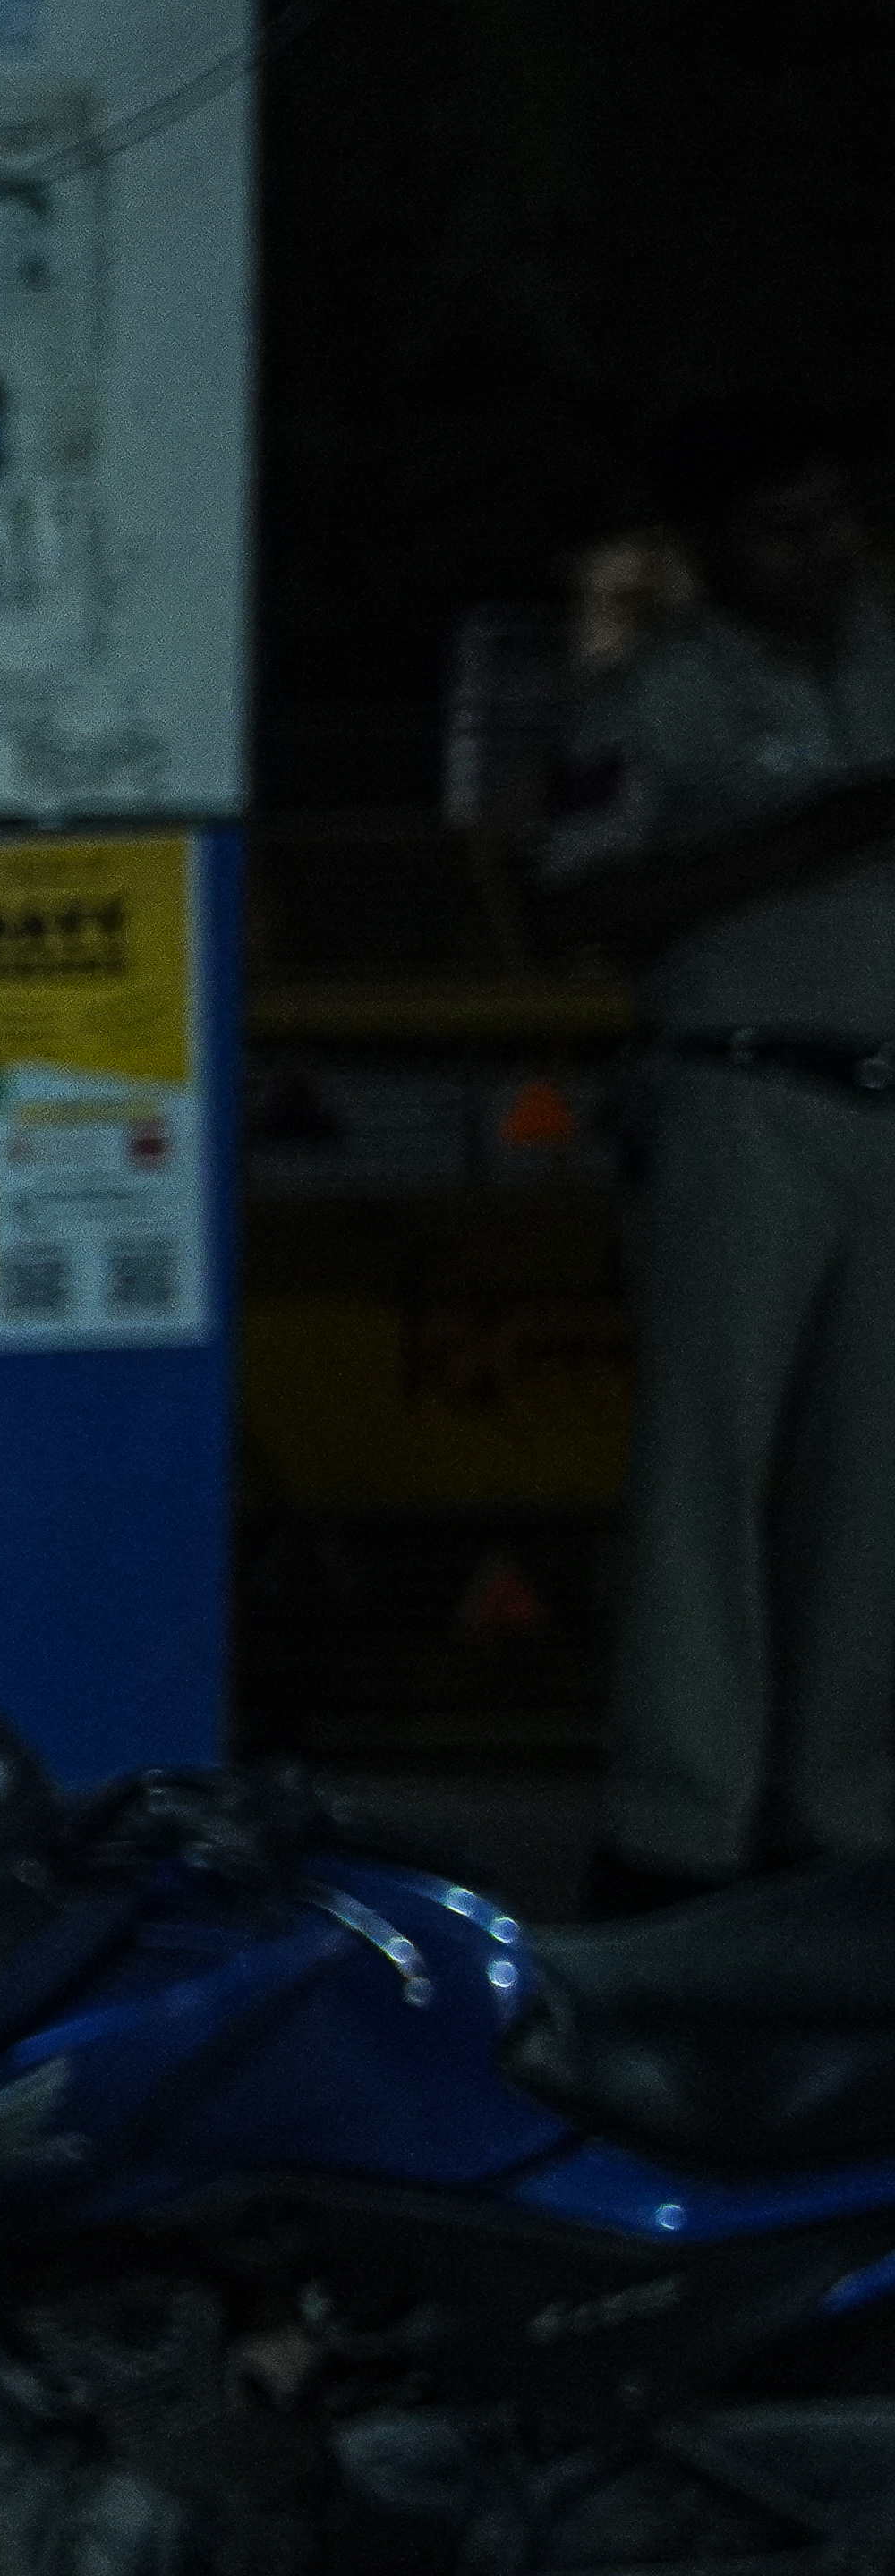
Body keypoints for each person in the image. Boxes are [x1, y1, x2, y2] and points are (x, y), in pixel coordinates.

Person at [539, 410, 895, 1899]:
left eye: (833, 518)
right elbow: (582, 905)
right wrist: (817, 833)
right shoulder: (653, 697)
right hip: (738, 1092)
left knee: (870, 1481)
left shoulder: (888, 652)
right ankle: (680, 1823)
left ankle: (845, 1812)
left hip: (884, 1100)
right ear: (705, 551)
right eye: (780, 529)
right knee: (709, 1470)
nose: (821, 553)